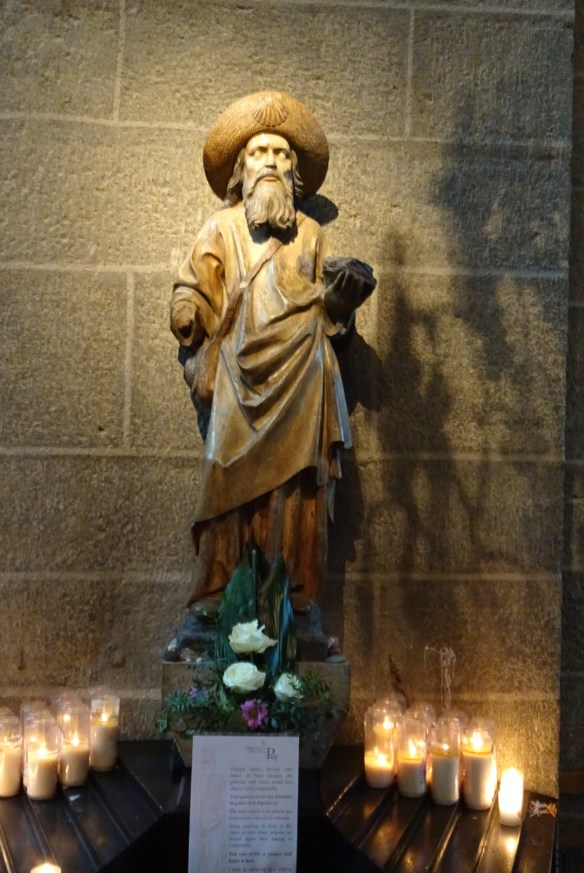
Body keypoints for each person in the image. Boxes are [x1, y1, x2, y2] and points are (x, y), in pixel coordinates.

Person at [170, 91, 374, 610]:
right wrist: (187, 310)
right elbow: (194, 285)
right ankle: (218, 597)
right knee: (224, 479)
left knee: (297, 488)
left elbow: (327, 309)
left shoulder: (311, 234)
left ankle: (293, 596)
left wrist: (340, 303)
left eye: (282, 154)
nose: (271, 162)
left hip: (303, 370)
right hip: (238, 374)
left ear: (293, 173)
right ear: (242, 167)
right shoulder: (221, 228)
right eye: (260, 151)